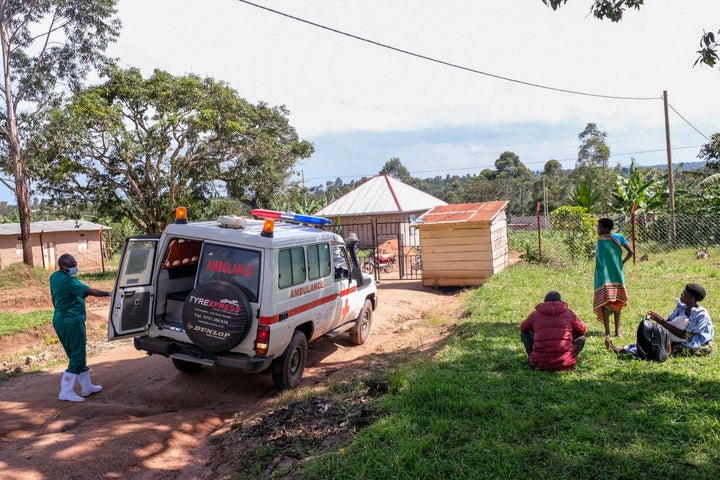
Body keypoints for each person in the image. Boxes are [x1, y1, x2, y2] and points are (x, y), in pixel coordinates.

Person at [50, 253, 111, 402]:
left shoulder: (55, 276)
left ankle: (87, 387)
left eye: (75, 264)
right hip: (72, 321)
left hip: (60, 319)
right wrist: (110, 293)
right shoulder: (69, 282)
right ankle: (66, 391)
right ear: (64, 267)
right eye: (72, 266)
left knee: (76, 354)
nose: (75, 268)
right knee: (77, 356)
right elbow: (90, 291)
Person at [607, 283, 714, 357]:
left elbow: (686, 336)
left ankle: (623, 351)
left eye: (684, 293)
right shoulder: (683, 308)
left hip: (698, 345)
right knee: (657, 340)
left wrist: (662, 322)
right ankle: (624, 349)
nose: (681, 294)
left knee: (659, 347)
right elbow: (670, 320)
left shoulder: (700, 315)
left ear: (692, 298)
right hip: (682, 340)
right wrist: (657, 319)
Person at [520, 291, 587, 371]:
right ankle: (569, 360)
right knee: (581, 337)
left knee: (525, 333)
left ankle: (534, 359)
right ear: (560, 301)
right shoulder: (569, 313)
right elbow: (583, 330)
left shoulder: (535, 314)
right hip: (565, 364)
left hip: (539, 364)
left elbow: (523, 328)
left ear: (544, 302)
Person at [593, 218, 634, 337]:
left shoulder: (601, 240)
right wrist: (622, 263)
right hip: (616, 274)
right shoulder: (619, 237)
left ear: (606, 229)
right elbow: (630, 252)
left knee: (609, 303)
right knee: (616, 302)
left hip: (604, 276)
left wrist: (622, 262)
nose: (598, 230)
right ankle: (615, 332)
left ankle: (609, 332)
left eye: (599, 228)